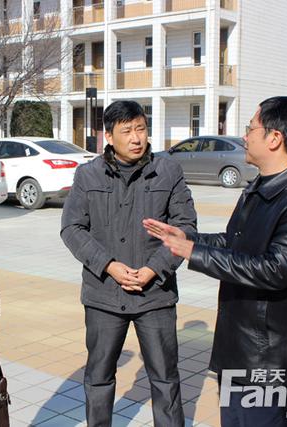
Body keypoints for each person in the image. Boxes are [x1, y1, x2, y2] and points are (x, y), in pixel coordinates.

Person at [144, 96, 287, 427]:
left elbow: (275, 270)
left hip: (267, 360)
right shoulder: (261, 186)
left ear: (274, 138)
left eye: (251, 128)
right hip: (238, 349)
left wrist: (193, 253)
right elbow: (234, 242)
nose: (244, 136)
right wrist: (189, 239)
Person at [61, 100, 197, 426]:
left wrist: (153, 269)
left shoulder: (168, 171)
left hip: (155, 295)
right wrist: (108, 265)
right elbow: (72, 228)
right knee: (99, 377)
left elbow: (186, 227)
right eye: (127, 131)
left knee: (165, 378)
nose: (136, 138)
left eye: (141, 129)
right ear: (108, 136)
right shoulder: (88, 174)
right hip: (104, 295)